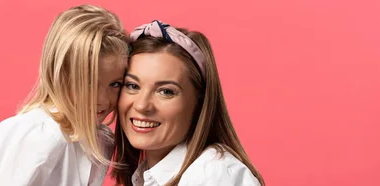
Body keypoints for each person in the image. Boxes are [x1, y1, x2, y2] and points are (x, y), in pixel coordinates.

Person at [0, 4, 129, 186]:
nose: (102, 100)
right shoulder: (39, 136)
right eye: (88, 83)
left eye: (115, 84)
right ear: (59, 73)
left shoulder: (97, 138)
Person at [111, 20, 265, 186]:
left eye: (166, 91)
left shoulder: (213, 175)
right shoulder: (148, 175)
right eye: (133, 86)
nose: (142, 105)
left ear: (199, 101)